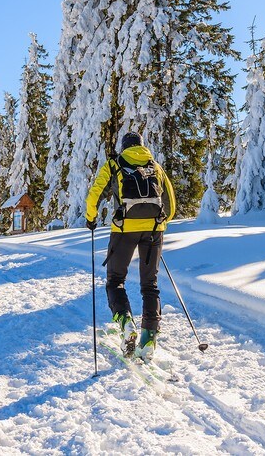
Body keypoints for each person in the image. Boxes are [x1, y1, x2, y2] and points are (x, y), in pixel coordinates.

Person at [86, 131, 176, 361]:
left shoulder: (115, 164)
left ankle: (126, 322)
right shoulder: (155, 166)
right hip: (154, 230)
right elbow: (171, 203)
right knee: (150, 284)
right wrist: (160, 224)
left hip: (124, 230)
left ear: (123, 146)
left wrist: (91, 218)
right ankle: (148, 336)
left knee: (115, 280)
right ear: (142, 146)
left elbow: (95, 193)